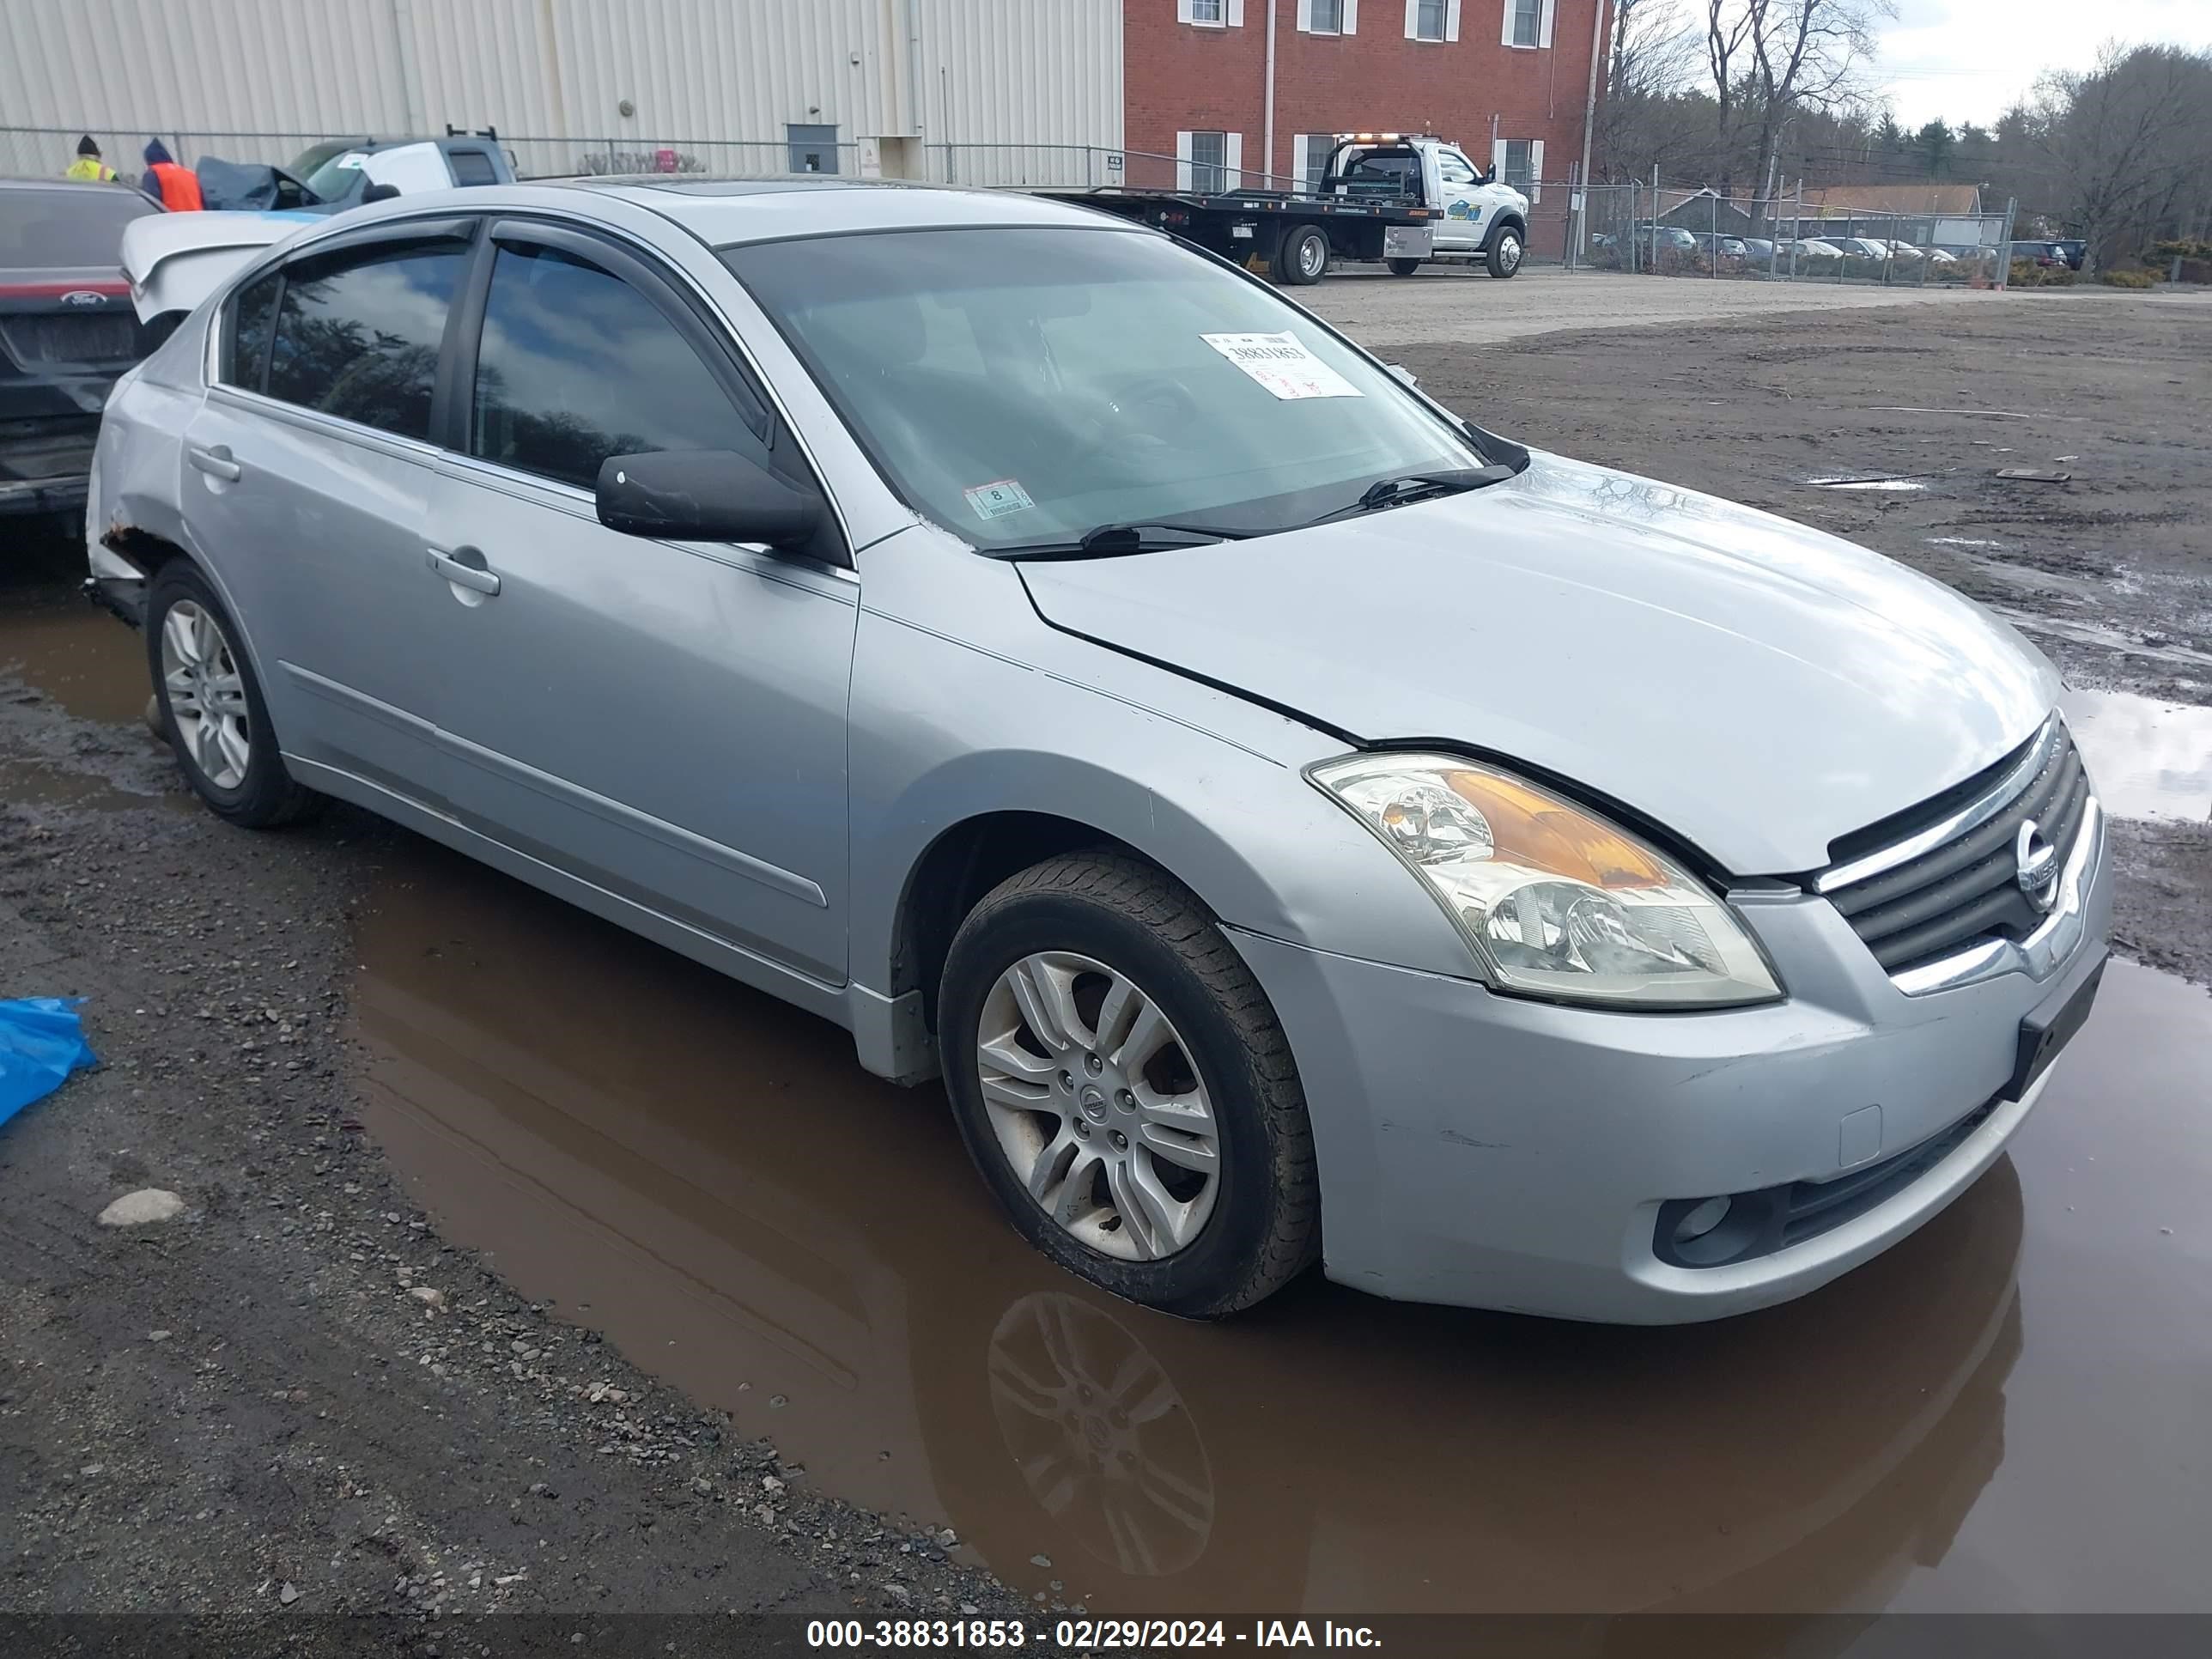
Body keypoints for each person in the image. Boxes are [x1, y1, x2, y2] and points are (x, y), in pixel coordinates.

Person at [141, 138, 204, 210]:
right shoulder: (188, 173)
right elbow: (203, 200)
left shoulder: (153, 173)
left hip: (172, 218)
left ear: (149, 159)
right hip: (197, 218)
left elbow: (151, 203)